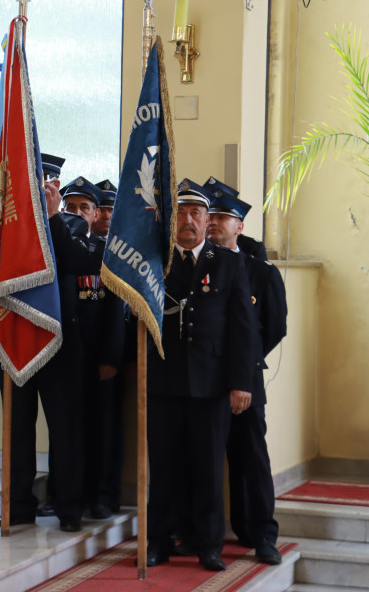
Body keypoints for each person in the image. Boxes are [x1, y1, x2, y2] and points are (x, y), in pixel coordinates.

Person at [145, 178, 256, 572]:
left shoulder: (228, 263)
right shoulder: (154, 261)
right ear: (172, 219)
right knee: (164, 467)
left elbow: (244, 328)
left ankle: (209, 546)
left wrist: (241, 382)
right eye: (182, 213)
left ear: (208, 220)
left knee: (209, 469)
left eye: (196, 213)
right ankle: (157, 540)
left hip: (211, 385)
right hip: (163, 382)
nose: (188, 220)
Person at [0, 154, 99, 532]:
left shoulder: (71, 223)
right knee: (16, 429)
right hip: (14, 336)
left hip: (59, 341)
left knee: (65, 429)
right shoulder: (3, 223)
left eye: (47, 183)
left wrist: (51, 218)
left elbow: (78, 263)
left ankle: (68, 506)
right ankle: (17, 504)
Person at [204, 176, 288, 566]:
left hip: (247, 379)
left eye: (225, 216)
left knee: (251, 458)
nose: (215, 222)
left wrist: (245, 359)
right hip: (203, 377)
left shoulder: (261, 272)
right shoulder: (192, 264)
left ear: (241, 225)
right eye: (212, 215)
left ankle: (260, 535)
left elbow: (274, 326)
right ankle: (200, 535)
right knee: (202, 457)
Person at [61, 176, 125, 520]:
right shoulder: (54, 245)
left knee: (103, 428)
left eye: (83, 207)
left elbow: (115, 310)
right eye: (69, 206)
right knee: (68, 429)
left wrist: (111, 356)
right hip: (63, 355)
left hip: (98, 356)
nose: (76, 212)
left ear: (95, 213)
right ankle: (70, 492)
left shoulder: (106, 252)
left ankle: (103, 494)